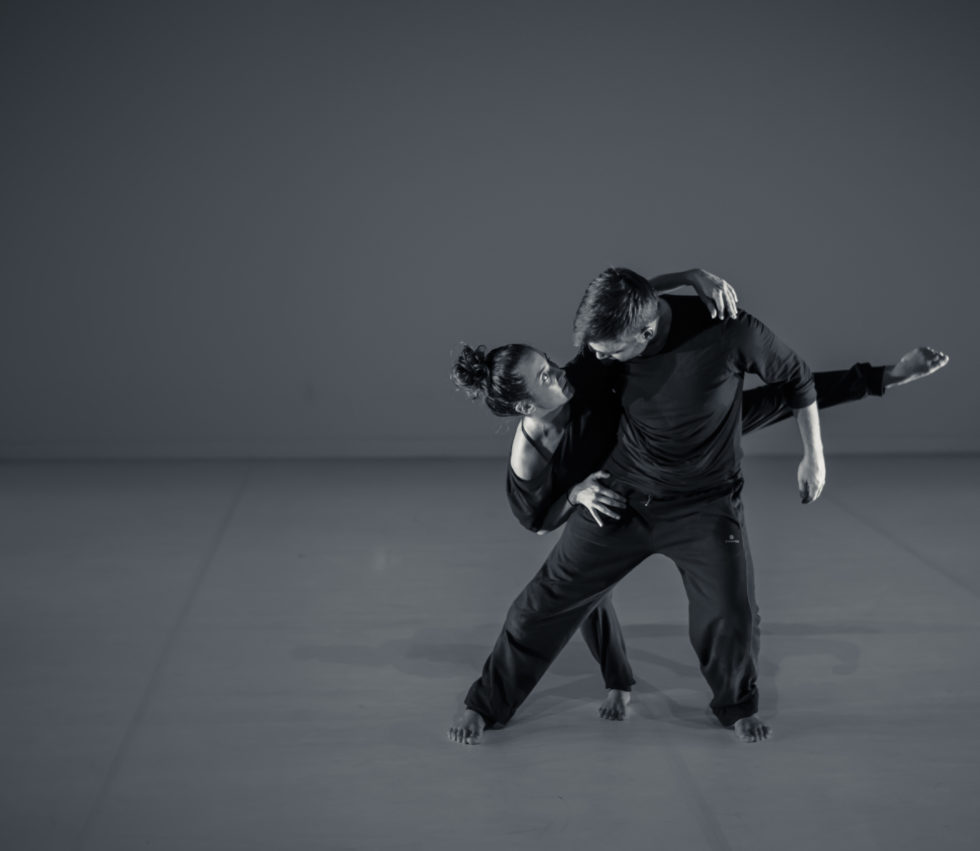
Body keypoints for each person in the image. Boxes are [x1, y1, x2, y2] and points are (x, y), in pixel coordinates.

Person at [448, 268, 948, 745]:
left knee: (731, 613)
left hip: (704, 499)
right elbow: (535, 516)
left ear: (643, 333)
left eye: (608, 349)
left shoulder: (718, 335)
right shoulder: (593, 368)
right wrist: (578, 492)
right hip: (624, 495)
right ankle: (488, 704)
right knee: (541, 605)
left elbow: (793, 381)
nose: (590, 358)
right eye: (550, 372)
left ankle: (737, 706)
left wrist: (822, 448)